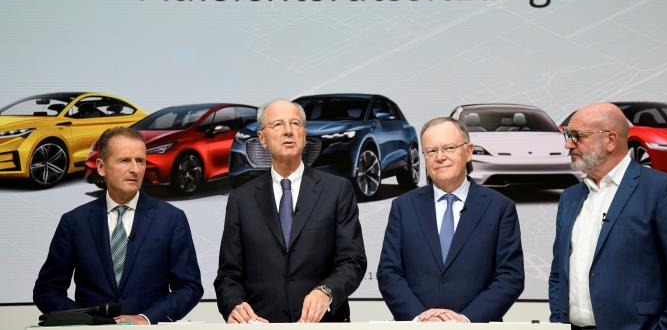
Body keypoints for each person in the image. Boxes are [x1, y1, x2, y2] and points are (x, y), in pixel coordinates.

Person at [549, 103, 667, 330]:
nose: (569, 144)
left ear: (610, 140)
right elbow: (558, 272)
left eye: (577, 136)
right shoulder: (570, 198)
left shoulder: (660, 190)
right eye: (568, 136)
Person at [214, 99, 366, 323]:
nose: (288, 131)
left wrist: (326, 291)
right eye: (277, 125)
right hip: (261, 324)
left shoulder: (337, 190)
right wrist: (234, 305)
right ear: (262, 139)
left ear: (304, 135)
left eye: (295, 124)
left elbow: (353, 261)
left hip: (322, 324)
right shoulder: (241, 199)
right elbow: (228, 275)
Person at [33, 127, 203, 324]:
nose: (135, 169)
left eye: (140, 161)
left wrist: (147, 318)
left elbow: (189, 287)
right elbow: (47, 290)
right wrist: (83, 319)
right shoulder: (74, 222)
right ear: (101, 167)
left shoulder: (171, 219)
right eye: (124, 160)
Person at [377, 117, 524, 322]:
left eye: (449, 148)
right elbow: (389, 273)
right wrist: (420, 318)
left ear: (469, 151)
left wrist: (466, 319)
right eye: (431, 151)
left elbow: (510, 277)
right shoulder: (403, 207)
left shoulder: (499, 207)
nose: (440, 157)